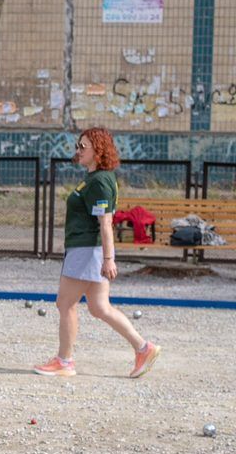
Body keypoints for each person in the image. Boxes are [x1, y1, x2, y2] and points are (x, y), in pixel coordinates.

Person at [34, 128, 160, 379]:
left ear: (98, 150)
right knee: (100, 308)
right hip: (87, 249)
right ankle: (144, 348)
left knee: (65, 303)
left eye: (83, 146)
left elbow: (105, 223)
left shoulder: (100, 181)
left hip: (86, 249)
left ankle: (64, 361)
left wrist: (108, 259)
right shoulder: (93, 179)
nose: (78, 151)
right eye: (78, 146)